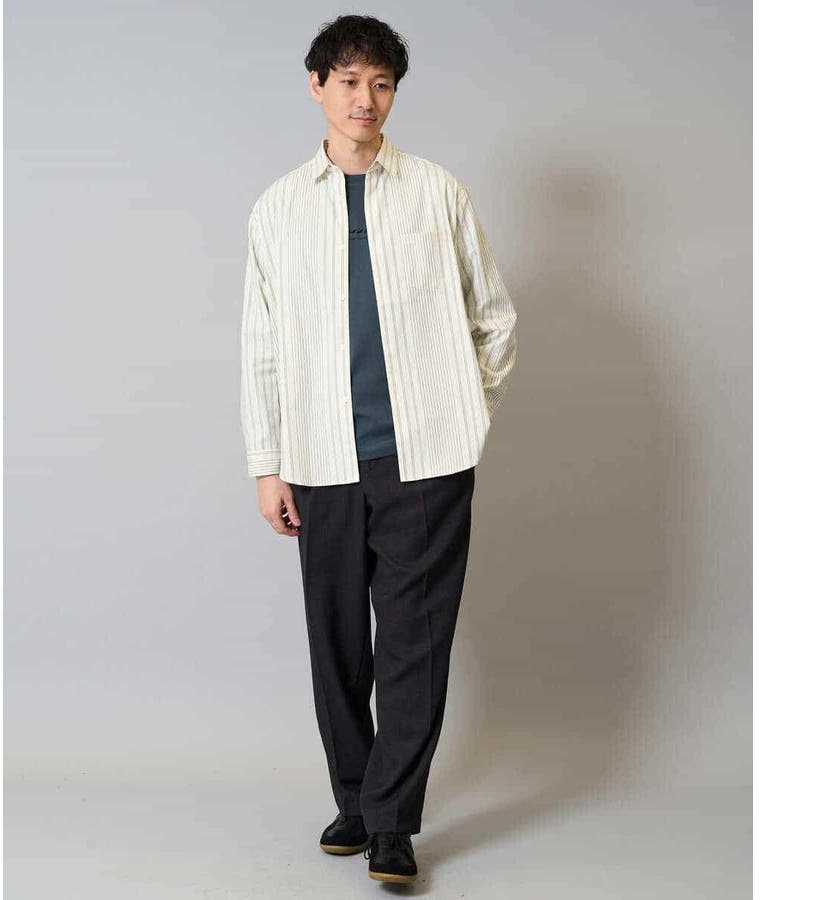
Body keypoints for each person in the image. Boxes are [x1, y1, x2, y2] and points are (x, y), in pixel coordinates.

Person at [240, 13, 517, 885]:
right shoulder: (278, 208)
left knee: (413, 645)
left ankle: (393, 824)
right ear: (318, 86)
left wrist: (462, 413)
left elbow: (494, 320)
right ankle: (355, 801)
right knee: (337, 647)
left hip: (425, 462)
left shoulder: (437, 192)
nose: (367, 98)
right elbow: (261, 347)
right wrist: (266, 463)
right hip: (320, 460)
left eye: (383, 83)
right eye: (351, 81)